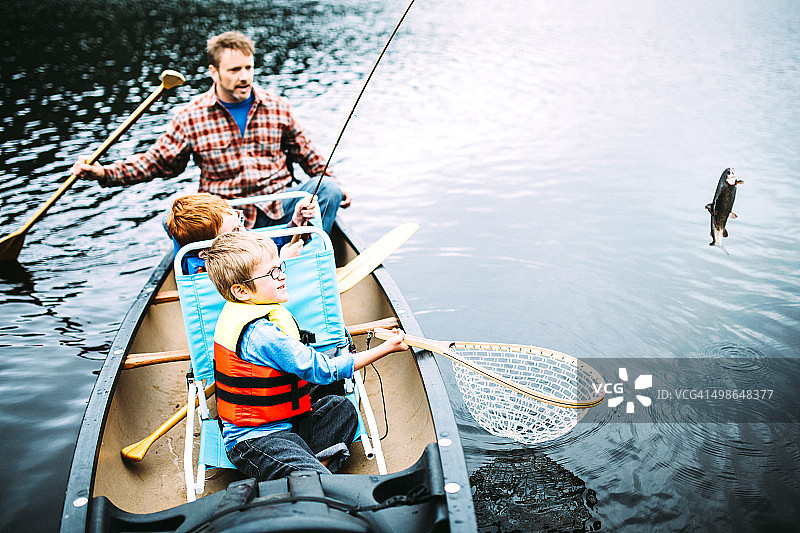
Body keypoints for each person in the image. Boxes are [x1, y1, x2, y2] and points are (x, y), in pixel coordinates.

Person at [70, 30, 350, 234]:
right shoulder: (190, 115)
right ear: (213, 72)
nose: (244, 76)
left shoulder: (278, 106)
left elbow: (309, 155)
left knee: (327, 188)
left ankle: (303, 251)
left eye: (249, 68)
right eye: (234, 69)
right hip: (227, 221)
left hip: (280, 207)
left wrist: (335, 183)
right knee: (174, 224)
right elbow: (156, 162)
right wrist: (104, 173)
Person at [205, 231, 407, 480]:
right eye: (272, 273)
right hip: (255, 441)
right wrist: (385, 348)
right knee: (310, 476)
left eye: (280, 266)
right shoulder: (262, 334)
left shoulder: (245, 309)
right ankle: (310, 474)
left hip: (290, 425)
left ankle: (307, 469)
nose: (283, 275)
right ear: (241, 291)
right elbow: (322, 371)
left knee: (341, 408)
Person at [165, 192, 317, 273]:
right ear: (205, 254)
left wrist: (295, 223)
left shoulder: (237, 241)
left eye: (240, 221)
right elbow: (252, 290)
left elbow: (267, 244)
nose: (243, 231)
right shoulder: (208, 275)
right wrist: (281, 263)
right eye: (235, 231)